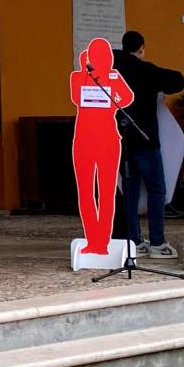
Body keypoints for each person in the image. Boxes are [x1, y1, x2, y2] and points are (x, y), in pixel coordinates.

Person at [114, 31, 184, 258]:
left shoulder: (111, 71)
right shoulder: (145, 70)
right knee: (156, 190)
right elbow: (178, 80)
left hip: (121, 141)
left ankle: (134, 241)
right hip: (145, 139)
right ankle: (157, 242)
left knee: (130, 192)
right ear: (141, 48)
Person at [70, 38, 134, 254]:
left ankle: (103, 241)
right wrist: (84, 70)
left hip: (108, 139)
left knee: (106, 192)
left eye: (103, 57)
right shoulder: (78, 77)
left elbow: (127, 97)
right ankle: (92, 239)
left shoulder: (114, 77)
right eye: (95, 57)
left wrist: (112, 92)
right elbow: (76, 97)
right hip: (84, 140)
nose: (99, 60)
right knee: (86, 191)